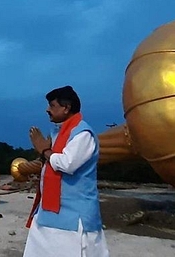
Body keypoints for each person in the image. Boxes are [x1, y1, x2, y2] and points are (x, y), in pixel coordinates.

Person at [23, 85, 109, 257]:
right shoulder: (59, 132)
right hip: (49, 212)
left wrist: (43, 150)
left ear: (66, 107)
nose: (47, 110)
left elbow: (67, 163)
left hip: (74, 214)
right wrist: (45, 153)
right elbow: (51, 162)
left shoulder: (82, 134)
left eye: (52, 106)